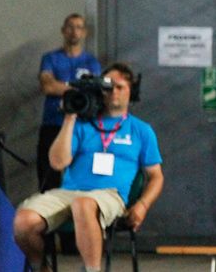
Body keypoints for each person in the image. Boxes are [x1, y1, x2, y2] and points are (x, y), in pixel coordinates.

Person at [14, 62, 163, 272]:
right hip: (69, 192)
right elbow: (57, 163)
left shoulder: (141, 130)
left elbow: (156, 176)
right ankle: (41, 268)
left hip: (109, 195)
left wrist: (142, 205)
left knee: (83, 205)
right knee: (24, 221)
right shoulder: (82, 125)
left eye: (120, 87)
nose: (113, 92)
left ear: (131, 91)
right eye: (108, 87)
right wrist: (70, 117)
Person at [37, 13, 102, 191]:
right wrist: (78, 89)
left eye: (79, 27)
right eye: (70, 27)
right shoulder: (50, 58)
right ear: (63, 30)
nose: (74, 31)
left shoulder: (91, 62)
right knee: (48, 178)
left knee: (81, 176)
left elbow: (95, 92)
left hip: (82, 126)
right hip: (53, 123)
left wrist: (62, 86)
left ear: (85, 32)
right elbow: (47, 86)